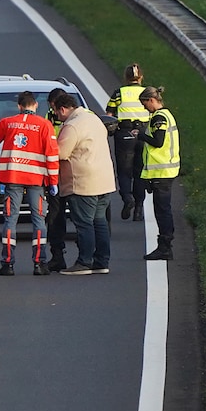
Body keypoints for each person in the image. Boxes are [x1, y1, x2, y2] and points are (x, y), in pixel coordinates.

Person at [0, 91, 59, 276]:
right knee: (38, 220)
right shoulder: (45, 125)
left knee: (10, 220)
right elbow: (52, 155)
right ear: (35, 105)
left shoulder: (7, 122)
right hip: (36, 180)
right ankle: (39, 263)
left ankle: (7, 264)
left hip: (13, 179)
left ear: (19, 106)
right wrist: (53, 181)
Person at [53, 93, 116, 275]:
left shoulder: (72, 126)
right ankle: (101, 261)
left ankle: (84, 262)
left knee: (84, 223)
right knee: (100, 222)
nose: (57, 117)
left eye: (57, 113)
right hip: (103, 179)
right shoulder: (93, 118)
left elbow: (61, 153)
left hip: (83, 182)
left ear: (63, 109)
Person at [137, 86, 180, 261]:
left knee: (162, 211)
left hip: (162, 172)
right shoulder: (166, 114)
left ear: (151, 100)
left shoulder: (159, 118)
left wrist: (141, 135)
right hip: (165, 171)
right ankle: (164, 245)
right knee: (163, 210)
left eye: (144, 104)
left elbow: (158, 141)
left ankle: (165, 247)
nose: (144, 108)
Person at [106, 63, 149, 221]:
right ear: (141, 77)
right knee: (140, 173)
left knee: (124, 172)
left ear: (126, 77)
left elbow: (109, 114)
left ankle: (127, 198)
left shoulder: (119, 93)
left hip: (124, 133)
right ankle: (138, 209)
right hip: (144, 134)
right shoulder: (147, 92)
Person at [43, 87, 70, 272]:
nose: (53, 111)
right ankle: (57, 256)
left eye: (54, 107)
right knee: (54, 216)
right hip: (55, 173)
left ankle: (90, 257)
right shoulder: (49, 117)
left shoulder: (82, 117)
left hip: (76, 173)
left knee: (86, 218)